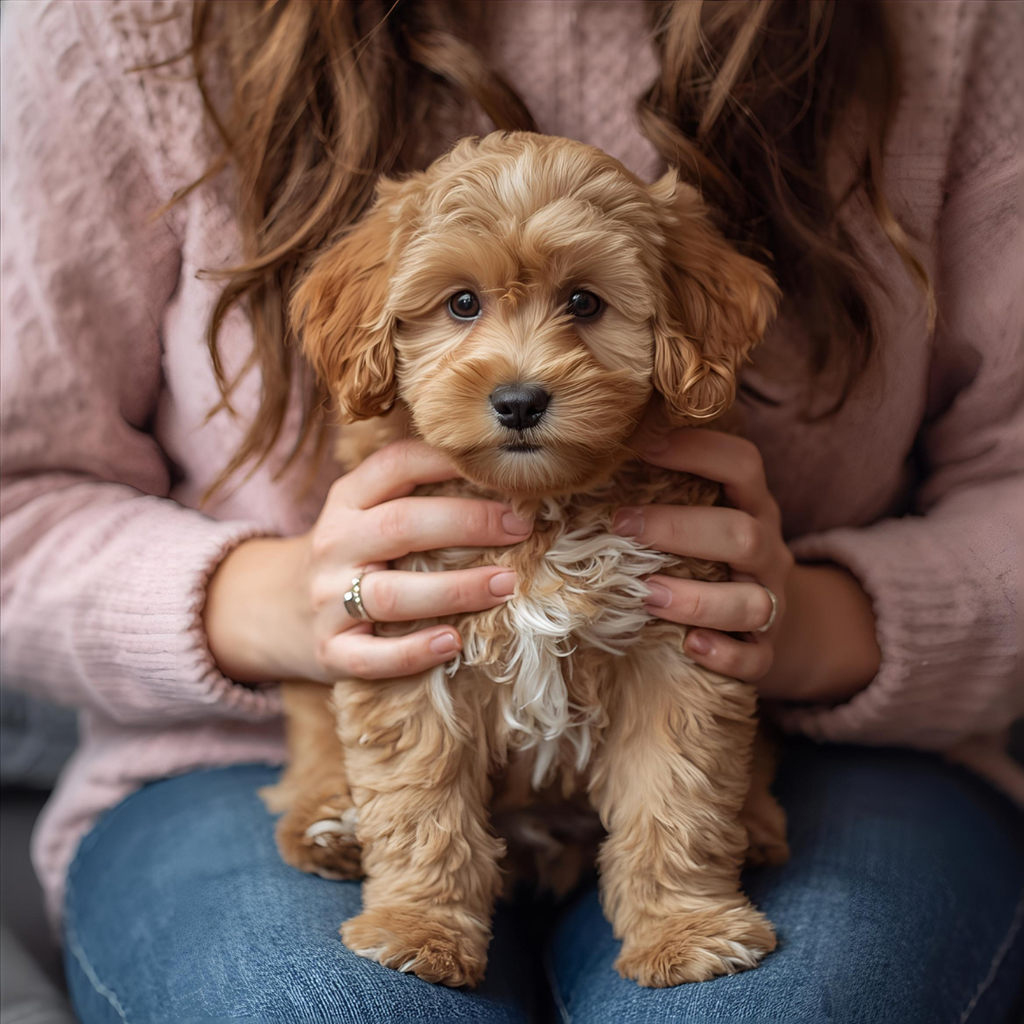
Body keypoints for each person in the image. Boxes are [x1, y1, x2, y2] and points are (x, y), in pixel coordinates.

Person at [1, 1, 1021, 1021]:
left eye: (584, 305)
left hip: (848, 754)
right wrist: (272, 605)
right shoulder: (122, 21)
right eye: (459, 306)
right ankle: (378, 837)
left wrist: (816, 627)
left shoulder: (955, 23)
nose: (522, 373)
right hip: (232, 756)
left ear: (673, 322)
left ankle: (667, 880)